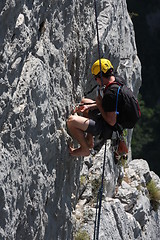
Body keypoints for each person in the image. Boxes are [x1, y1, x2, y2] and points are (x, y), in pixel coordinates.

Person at [67, 58, 127, 157]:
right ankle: (89, 140)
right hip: (112, 120)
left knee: (71, 121)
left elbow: (111, 121)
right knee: (84, 102)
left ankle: (85, 149)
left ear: (101, 76)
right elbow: (110, 106)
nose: (96, 80)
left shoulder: (111, 93)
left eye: (96, 78)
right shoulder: (118, 81)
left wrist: (98, 105)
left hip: (107, 127)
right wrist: (90, 106)